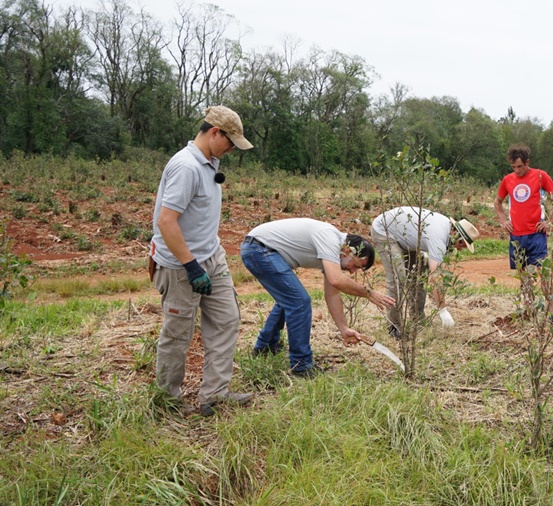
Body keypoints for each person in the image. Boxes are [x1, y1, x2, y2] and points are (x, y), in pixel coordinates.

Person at [150, 105, 254, 417]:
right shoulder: (186, 167)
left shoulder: (210, 163)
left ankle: (215, 395)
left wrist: (207, 260)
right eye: (230, 142)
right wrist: (191, 267)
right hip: (180, 265)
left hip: (213, 256)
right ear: (214, 133)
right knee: (178, 333)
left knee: (227, 319)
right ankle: (167, 399)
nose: (232, 149)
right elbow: (166, 222)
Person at [241, 218, 395, 376]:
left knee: (289, 300)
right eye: (356, 265)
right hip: (259, 249)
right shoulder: (329, 238)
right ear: (348, 251)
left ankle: (265, 347)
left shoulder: (333, 250)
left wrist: (344, 329)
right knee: (299, 302)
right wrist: (368, 292)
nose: (352, 271)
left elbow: (332, 293)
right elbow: (337, 280)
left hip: (259, 248)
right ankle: (301, 365)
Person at [370, 207, 480, 335]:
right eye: (461, 245)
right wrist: (442, 310)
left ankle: (417, 318)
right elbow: (436, 277)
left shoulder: (444, 230)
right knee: (398, 278)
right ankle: (394, 327)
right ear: (455, 234)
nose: (460, 250)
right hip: (385, 230)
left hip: (404, 234)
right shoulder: (439, 237)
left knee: (420, 270)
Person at [494, 144, 553, 314]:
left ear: (527, 162)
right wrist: (503, 221)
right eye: (513, 167)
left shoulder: (540, 176)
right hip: (517, 236)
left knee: (544, 273)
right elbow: (497, 202)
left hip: (536, 234)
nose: (517, 170)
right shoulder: (507, 180)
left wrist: (550, 221)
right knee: (524, 275)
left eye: (520, 166)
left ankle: (550, 311)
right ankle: (529, 309)